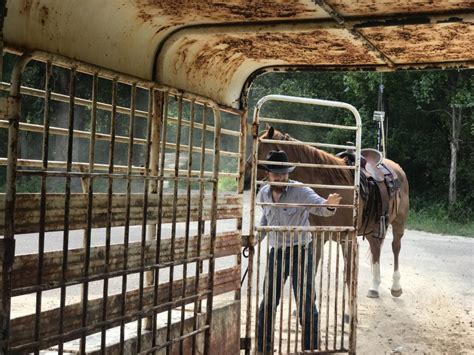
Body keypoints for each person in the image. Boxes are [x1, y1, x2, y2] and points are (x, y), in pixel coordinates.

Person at [256, 150, 342, 354]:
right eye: (276, 173)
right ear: (267, 174)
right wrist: (255, 239)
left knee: (305, 303)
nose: (280, 177)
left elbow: (320, 207)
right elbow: (266, 220)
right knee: (267, 302)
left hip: (301, 252)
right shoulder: (263, 193)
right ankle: (263, 349)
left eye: (284, 173)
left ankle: (310, 349)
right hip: (276, 253)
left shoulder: (301, 191)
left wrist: (330, 206)